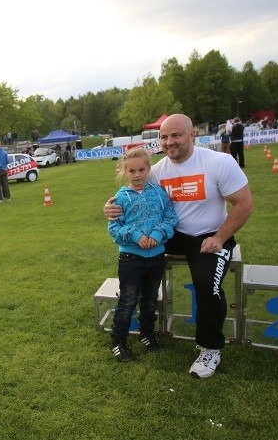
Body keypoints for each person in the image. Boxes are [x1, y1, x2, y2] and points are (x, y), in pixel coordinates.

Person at [104, 114, 253, 378]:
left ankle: (210, 348)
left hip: (207, 235)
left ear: (192, 134)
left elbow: (244, 204)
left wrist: (219, 238)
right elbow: (132, 195)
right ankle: (130, 302)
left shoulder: (218, 162)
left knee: (207, 285)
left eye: (176, 135)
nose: (169, 142)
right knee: (136, 272)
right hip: (171, 234)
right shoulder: (157, 171)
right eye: (164, 137)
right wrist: (111, 207)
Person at [107, 148, 179, 362]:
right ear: (124, 172)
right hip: (131, 260)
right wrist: (136, 236)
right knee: (128, 300)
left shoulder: (158, 192)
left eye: (141, 169)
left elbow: (171, 217)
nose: (137, 175)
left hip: (156, 258)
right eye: (132, 171)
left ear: (149, 169)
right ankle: (118, 340)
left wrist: (158, 234)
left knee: (149, 300)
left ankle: (147, 333)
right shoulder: (120, 197)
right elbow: (114, 229)